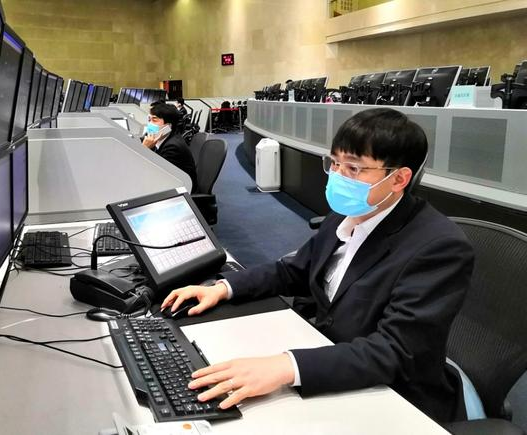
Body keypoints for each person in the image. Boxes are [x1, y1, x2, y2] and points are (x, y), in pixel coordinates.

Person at [161, 108, 474, 423]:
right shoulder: (348, 214)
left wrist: (288, 367)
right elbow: (294, 270)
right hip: (331, 355)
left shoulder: (439, 247)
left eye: (353, 167)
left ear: (399, 179)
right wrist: (224, 288)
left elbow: (395, 351)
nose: (338, 176)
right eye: (335, 163)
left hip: (396, 396)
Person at [142, 103, 197, 192]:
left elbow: (158, 176)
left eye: (154, 120)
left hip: (183, 191)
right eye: (149, 119)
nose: (150, 124)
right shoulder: (164, 140)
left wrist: (144, 149)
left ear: (168, 126)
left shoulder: (172, 147)